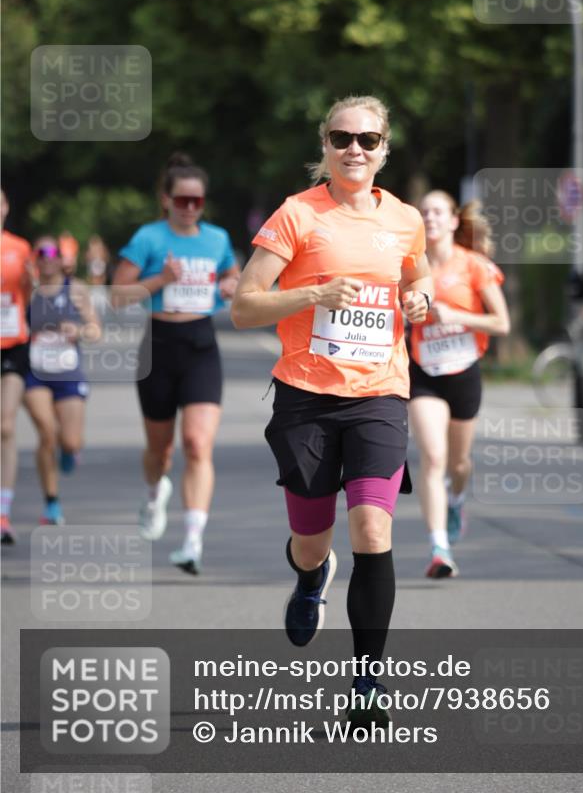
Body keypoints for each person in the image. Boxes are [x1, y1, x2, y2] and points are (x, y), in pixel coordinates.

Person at [231, 95, 432, 725]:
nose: (355, 149)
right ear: (325, 146)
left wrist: (419, 298)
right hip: (306, 397)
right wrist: (315, 291)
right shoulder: (297, 215)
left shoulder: (403, 219)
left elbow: (416, 276)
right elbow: (243, 306)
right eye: (342, 138)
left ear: (383, 149)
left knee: (373, 530)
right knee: (313, 542)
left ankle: (368, 687)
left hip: (380, 392)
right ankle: (310, 578)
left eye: (367, 140)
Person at [113, 153, 240, 575]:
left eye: (197, 201)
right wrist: (159, 282)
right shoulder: (148, 238)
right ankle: (155, 493)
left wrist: (230, 284)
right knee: (159, 452)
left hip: (201, 345)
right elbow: (117, 296)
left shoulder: (218, 239)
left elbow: (234, 283)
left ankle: (192, 542)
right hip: (158, 348)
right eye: (181, 200)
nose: (189, 208)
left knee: (198, 444)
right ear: (166, 199)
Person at [407, 190, 510, 579]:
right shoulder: (409, 267)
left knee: (459, 462)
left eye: (438, 212)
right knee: (432, 457)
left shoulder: (474, 265)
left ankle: (457, 498)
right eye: (424, 212)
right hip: (424, 371)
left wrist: (457, 315)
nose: (430, 218)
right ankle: (439, 548)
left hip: (464, 369)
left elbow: (502, 323)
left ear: (453, 221)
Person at [24, 235, 101, 525]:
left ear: (60, 256)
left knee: (69, 441)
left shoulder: (76, 289)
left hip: (68, 374)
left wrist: (79, 331)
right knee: (47, 433)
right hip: (34, 373)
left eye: (51, 251)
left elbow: (96, 330)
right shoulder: (26, 290)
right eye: (39, 252)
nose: (45, 257)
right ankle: (51, 503)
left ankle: (70, 451)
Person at [0, 189, 33, 543]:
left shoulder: (19, 248)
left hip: (13, 343)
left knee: (5, 425)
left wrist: (33, 282)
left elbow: (31, 293)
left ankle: (3, 512)